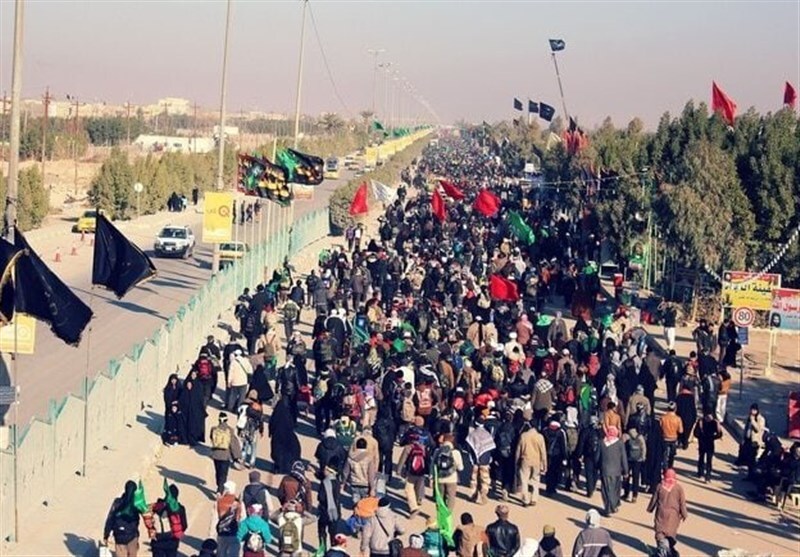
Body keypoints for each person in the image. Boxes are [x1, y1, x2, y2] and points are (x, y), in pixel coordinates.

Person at [646, 469, 687, 557]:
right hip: (673, 515)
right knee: (670, 532)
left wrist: (650, 509)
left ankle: (663, 550)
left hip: (661, 513)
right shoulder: (678, 488)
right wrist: (684, 514)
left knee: (660, 532)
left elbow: (654, 499)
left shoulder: (660, 486)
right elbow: (682, 503)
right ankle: (667, 549)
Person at [103, 480, 142, 557]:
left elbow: (110, 518)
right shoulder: (135, 504)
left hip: (119, 536)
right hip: (132, 536)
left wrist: (106, 534)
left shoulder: (117, 502)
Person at [148, 483, 188, 557]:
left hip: (157, 542)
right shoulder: (180, 509)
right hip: (172, 542)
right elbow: (184, 525)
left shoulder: (157, 506)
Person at [210, 413, 242, 494]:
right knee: (223, 474)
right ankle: (220, 490)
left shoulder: (214, 429)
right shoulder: (230, 430)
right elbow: (233, 444)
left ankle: (219, 485)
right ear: (226, 420)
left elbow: (212, 438)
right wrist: (236, 456)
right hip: (225, 456)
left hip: (216, 455)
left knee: (218, 472)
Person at [599, 426, 627, 515]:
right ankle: (613, 506)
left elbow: (597, 457)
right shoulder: (620, 443)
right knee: (615, 490)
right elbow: (623, 458)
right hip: (617, 471)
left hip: (605, 470)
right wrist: (626, 471)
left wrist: (597, 467)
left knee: (606, 490)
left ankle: (608, 508)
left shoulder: (602, 442)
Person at [432, 433, 464, 511]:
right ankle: (448, 513)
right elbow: (460, 468)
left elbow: (433, 465)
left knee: (440, 497)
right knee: (451, 497)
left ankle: (440, 513)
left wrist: (432, 477)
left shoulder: (437, 451)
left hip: (440, 478)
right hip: (452, 479)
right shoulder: (456, 452)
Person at [269, 398, 302, 474]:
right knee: (286, 452)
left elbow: (272, 423)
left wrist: (271, 432)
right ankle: (285, 467)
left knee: (277, 452)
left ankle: (277, 467)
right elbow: (291, 425)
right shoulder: (287, 415)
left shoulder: (276, 414)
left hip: (277, 436)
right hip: (287, 435)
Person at [343, 437, 377, 503]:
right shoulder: (369, 458)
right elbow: (371, 474)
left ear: (356, 446)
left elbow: (346, 472)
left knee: (355, 503)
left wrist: (343, 483)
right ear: (366, 446)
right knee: (364, 504)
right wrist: (372, 487)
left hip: (354, 483)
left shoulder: (350, 457)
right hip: (365, 484)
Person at [237, 390, 264, 469]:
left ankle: (242, 461)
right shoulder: (258, 406)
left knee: (244, 446)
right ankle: (252, 463)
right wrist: (261, 430)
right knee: (253, 448)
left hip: (245, 428)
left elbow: (239, 415)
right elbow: (261, 420)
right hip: (254, 430)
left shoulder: (243, 404)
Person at [736, 403, 766, 471]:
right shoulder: (749, 417)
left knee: (752, 456)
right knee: (744, 451)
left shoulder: (760, 419)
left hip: (754, 440)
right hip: (747, 438)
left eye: (754, 410)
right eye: (751, 410)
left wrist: (753, 421)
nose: (752, 411)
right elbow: (746, 428)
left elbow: (758, 429)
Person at [694, 412, 723, 483]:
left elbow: (696, 434)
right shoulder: (713, 422)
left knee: (702, 458)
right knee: (708, 460)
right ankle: (707, 476)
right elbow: (719, 435)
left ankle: (701, 473)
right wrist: (713, 437)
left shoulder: (701, 422)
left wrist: (701, 437)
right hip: (709, 444)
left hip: (703, 443)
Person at [215, 481, 242, 557]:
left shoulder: (220, 501)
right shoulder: (238, 502)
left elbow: (215, 519)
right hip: (234, 532)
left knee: (221, 554)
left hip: (222, 532)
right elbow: (240, 518)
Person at [318, 466, 342, 547]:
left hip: (325, 511)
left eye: (326, 469)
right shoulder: (337, 482)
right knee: (333, 533)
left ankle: (322, 549)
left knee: (322, 531)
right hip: (335, 512)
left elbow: (321, 497)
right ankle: (333, 549)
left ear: (330, 471)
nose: (324, 471)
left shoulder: (324, 482)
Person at [179, 378, 206, 446]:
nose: (189, 386)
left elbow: (199, 404)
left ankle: (193, 440)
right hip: (186, 414)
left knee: (193, 427)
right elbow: (181, 402)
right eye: (187, 385)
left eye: (190, 385)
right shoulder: (184, 393)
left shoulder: (195, 394)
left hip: (193, 414)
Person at [623, 427, 646, 502]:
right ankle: (634, 496)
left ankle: (626, 493)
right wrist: (643, 457)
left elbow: (622, 447)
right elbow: (643, 447)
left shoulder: (626, 436)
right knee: (636, 478)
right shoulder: (640, 437)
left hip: (628, 460)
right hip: (638, 460)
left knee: (626, 476)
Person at [660, 402, 683, 470]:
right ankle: (670, 467)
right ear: (675, 409)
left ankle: (665, 467)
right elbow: (681, 430)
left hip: (664, 438)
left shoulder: (663, 418)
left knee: (664, 454)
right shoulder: (678, 419)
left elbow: (659, 428)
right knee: (672, 454)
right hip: (673, 438)